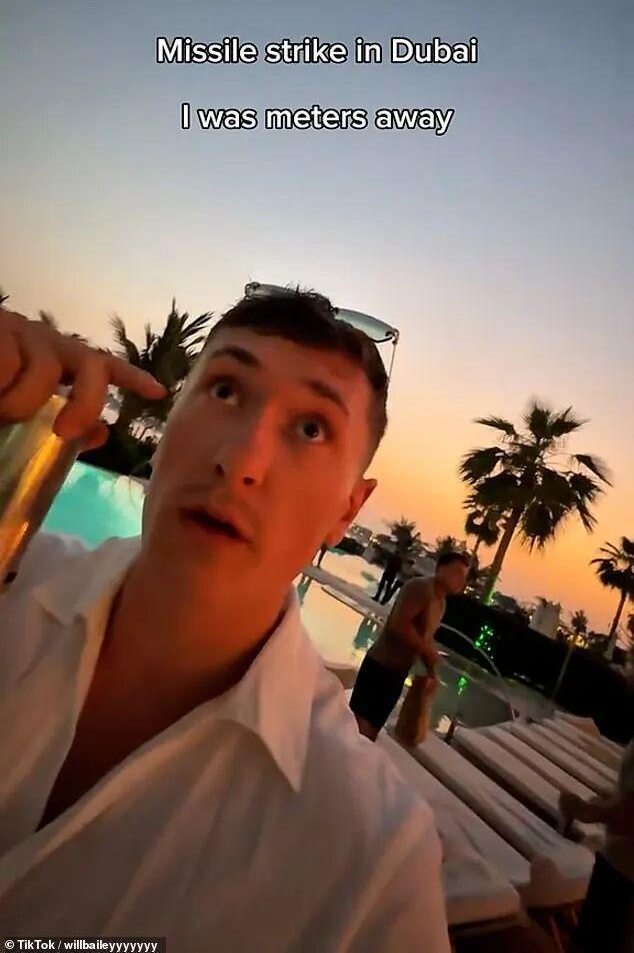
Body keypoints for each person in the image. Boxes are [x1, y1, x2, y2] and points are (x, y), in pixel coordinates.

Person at [0, 293, 450, 951]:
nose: (241, 462)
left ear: (347, 510)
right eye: (226, 390)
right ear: (169, 422)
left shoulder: (372, 858)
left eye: (311, 428)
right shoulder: (12, 579)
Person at [350, 552, 471, 742]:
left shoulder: (440, 604)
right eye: (457, 573)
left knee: (371, 732)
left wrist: (432, 671)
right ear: (440, 569)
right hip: (380, 666)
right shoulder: (420, 588)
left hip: (397, 674)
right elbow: (399, 624)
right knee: (356, 727)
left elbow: (425, 637)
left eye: (464, 576)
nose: (461, 580)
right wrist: (427, 650)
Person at [559, 660, 634, 952]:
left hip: (623, 876)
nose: (627, 671)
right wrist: (613, 797)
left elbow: (629, 817)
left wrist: (582, 810)